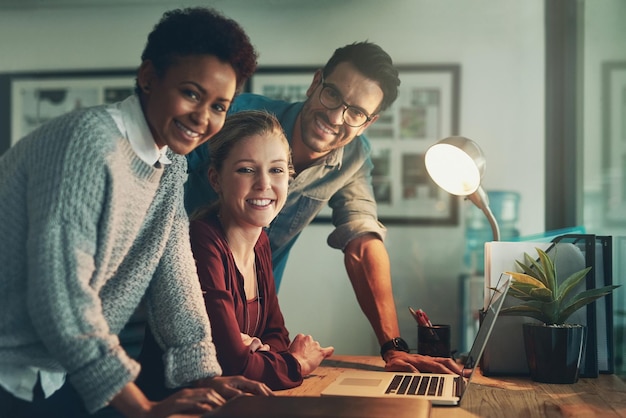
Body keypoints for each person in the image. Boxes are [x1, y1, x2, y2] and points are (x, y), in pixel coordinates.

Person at [0, 7, 273, 418]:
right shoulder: (89, 144)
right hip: (12, 373)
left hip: (61, 370)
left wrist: (203, 375)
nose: (203, 118)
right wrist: (143, 409)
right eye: (192, 93)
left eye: (219, 106)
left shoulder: (170, 164)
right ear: (148, 77)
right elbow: (60, 296)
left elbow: (175, 275)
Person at [186, 41, 464, 376]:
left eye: (356, 113)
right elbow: (164, 177)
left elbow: (363, 241)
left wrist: (393, 347)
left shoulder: (353, 157)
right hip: (174, 294)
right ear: (315, 82)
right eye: (332, 94)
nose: (335, 117)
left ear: (368, 122)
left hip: (251, 319)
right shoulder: (237, 116)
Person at [137, 111, 334, 397]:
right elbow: (233, 367)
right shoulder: (200, 241)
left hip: (232, 406)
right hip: (172, 407)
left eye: (276, 170)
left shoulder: (261, 243)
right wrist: (296, 363)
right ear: (216, 180)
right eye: (246, 169)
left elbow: (276, 334)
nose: (264, 184)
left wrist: (258, 354)